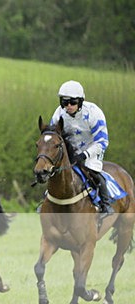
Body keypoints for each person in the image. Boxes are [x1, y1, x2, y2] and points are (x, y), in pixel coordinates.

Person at [50, 80, 113, 217]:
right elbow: (52, 136)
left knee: (92, 170)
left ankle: (105, 204)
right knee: (55, 172)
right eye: (64, 102)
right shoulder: (58, 113)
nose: (68, 106)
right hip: (70, 151)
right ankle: (48, 200)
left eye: (73, 102)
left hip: (92, 150)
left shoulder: (94, 113)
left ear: (81, 101)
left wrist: (84, 155)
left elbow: (102, 141)